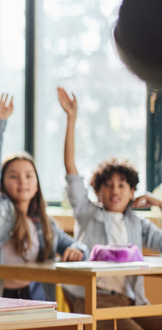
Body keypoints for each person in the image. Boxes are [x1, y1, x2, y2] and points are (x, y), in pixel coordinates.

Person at [58, 87, 162, 329]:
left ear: (132, 192)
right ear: (97, 191)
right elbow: (71, 169)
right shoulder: (88, 212)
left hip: (133, 301)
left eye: (121, 185)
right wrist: (71, 119)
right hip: (94, 299)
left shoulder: (138, 224)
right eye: (108, 185)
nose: (115, 190)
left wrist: (158, 204)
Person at [0, 94, 87, 301]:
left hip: (34, 299)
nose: (22, 181)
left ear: (36, 186)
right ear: (2, 184)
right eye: (13, 176)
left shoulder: (44, 224)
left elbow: (78, 246)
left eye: (28, 176)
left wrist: (76, 249)